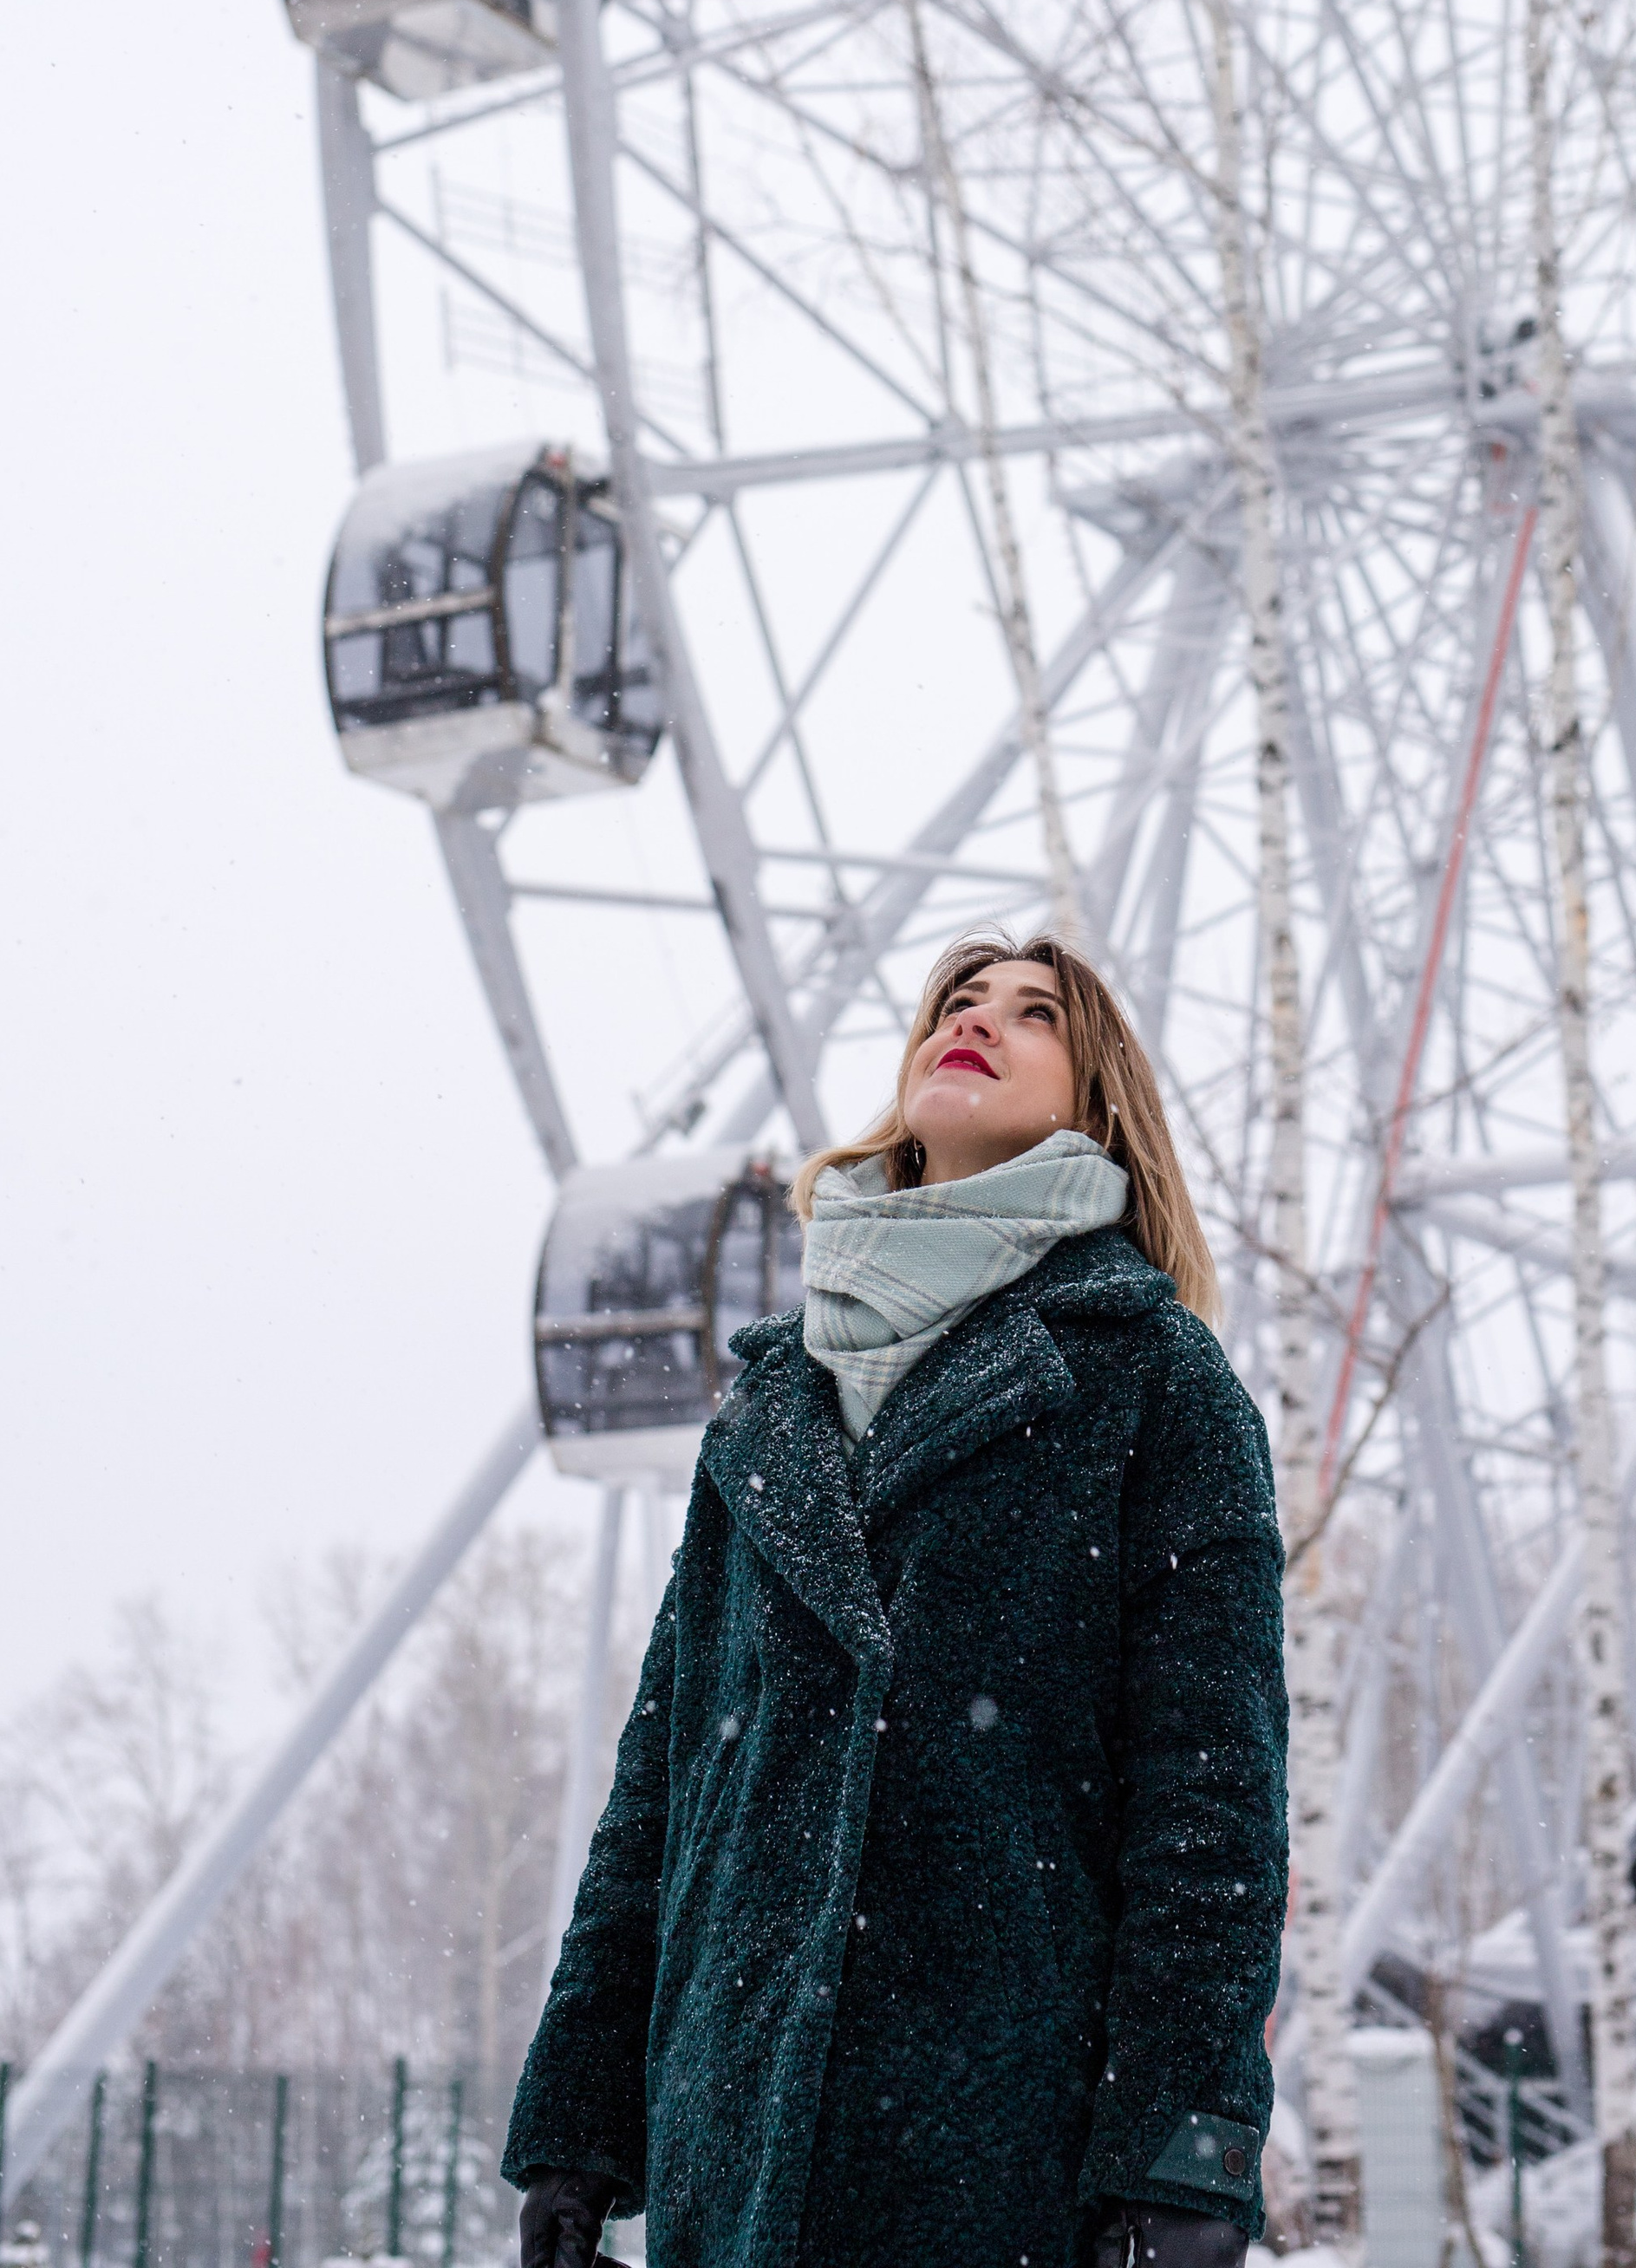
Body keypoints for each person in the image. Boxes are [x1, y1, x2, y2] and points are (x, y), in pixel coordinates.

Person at [505, 931, 1289, 2268]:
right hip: (731, 2142)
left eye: (1033, 1015)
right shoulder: (767, 1407)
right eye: (955, 1005)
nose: (972, 1022)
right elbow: (663, 1793)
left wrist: (1185, 2161)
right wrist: (579, 2130)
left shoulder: (1158, 1382)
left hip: (1002, 2148)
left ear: (1099, 1106)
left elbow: (1213, 1813)